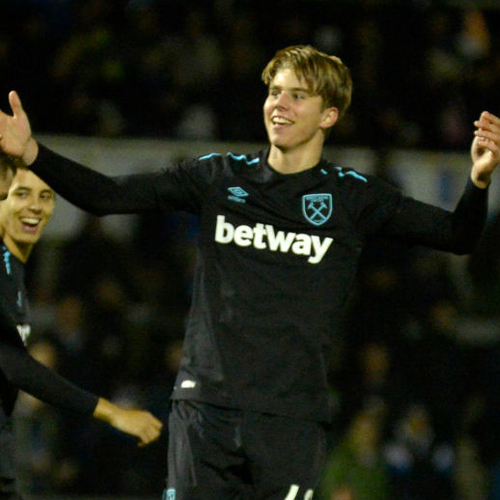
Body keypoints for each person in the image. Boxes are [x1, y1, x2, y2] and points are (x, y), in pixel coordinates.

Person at [0, 44, 499, 500]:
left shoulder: (353, 197)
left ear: (329, 114)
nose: (278, 104)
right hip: (204, 409)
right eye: (273, 91)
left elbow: (457, 235)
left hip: (291, 418)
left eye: (296, 95)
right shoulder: (219, 177)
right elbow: (106, 197)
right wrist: (32, 153)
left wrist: (478, 181)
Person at [0, 165, 163, 499]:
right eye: (22, 194)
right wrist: (111, 412)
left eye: (45, 197)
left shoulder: (14, 265)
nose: (35, 206)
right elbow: (12, 362)